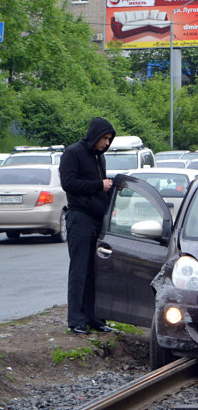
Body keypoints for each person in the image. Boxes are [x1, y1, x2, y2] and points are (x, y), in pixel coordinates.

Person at [59, 117, 116, 335]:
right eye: (104, 138)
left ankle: (95, 318)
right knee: (79, 270)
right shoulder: (73, 153)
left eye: (109, 139)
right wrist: (98, 185)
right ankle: (76, 320)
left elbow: (98, 186)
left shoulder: (99, 158)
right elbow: (69, 183)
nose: (106, 143)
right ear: (94, 135)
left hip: (97, 219)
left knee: (96, 271)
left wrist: (109, 187)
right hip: (79, 218)